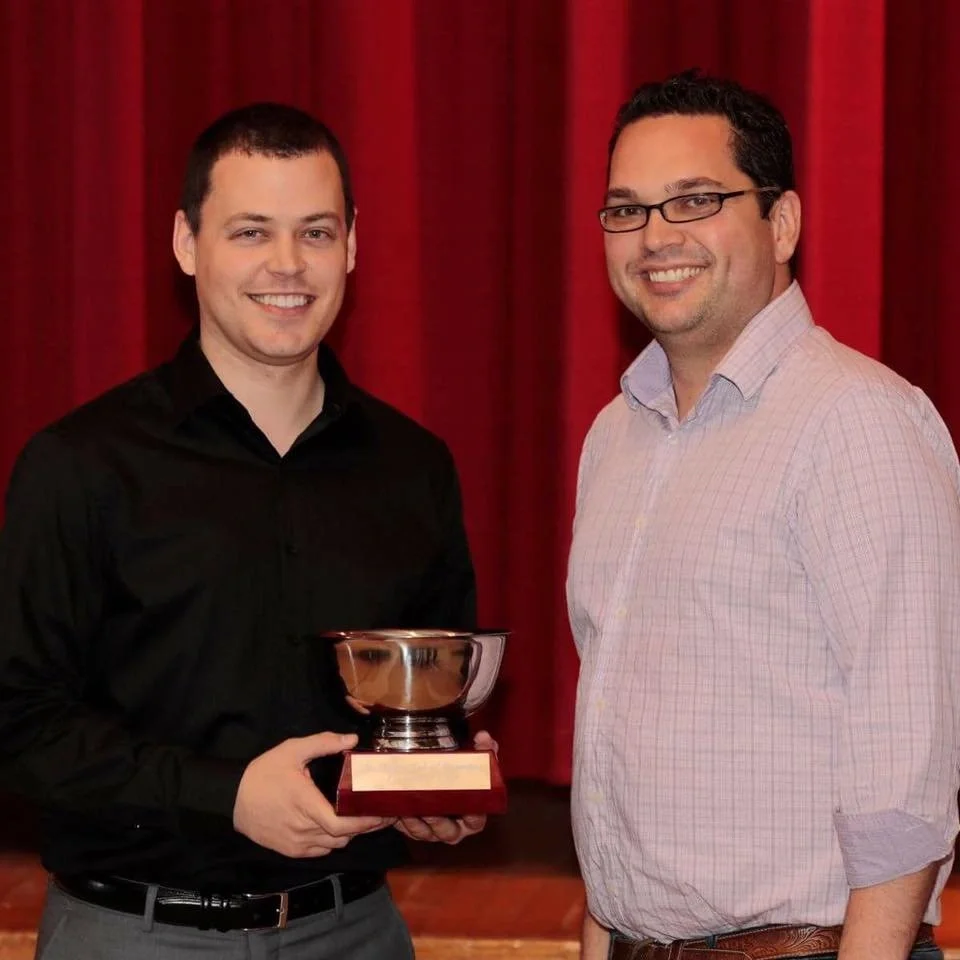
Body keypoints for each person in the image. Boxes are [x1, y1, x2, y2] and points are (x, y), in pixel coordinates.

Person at [0, 102, 489, 960]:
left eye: (315, 231)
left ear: (352, 246)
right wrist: (227, 795)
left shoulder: (415, 468)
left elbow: (419, 703)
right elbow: (19, 723)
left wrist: (429, 784)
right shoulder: (80, 465)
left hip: (357, 930)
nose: (288, 265)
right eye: (251, 232)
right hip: (133, 933)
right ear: (188, 244)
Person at [566, 71, 960, 960]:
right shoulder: (612, 437)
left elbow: (908, 765)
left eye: (695, 201)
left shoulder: (856, 421)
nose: (655, 237)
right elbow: (615, 749)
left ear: (781, 223)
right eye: (626, 211)